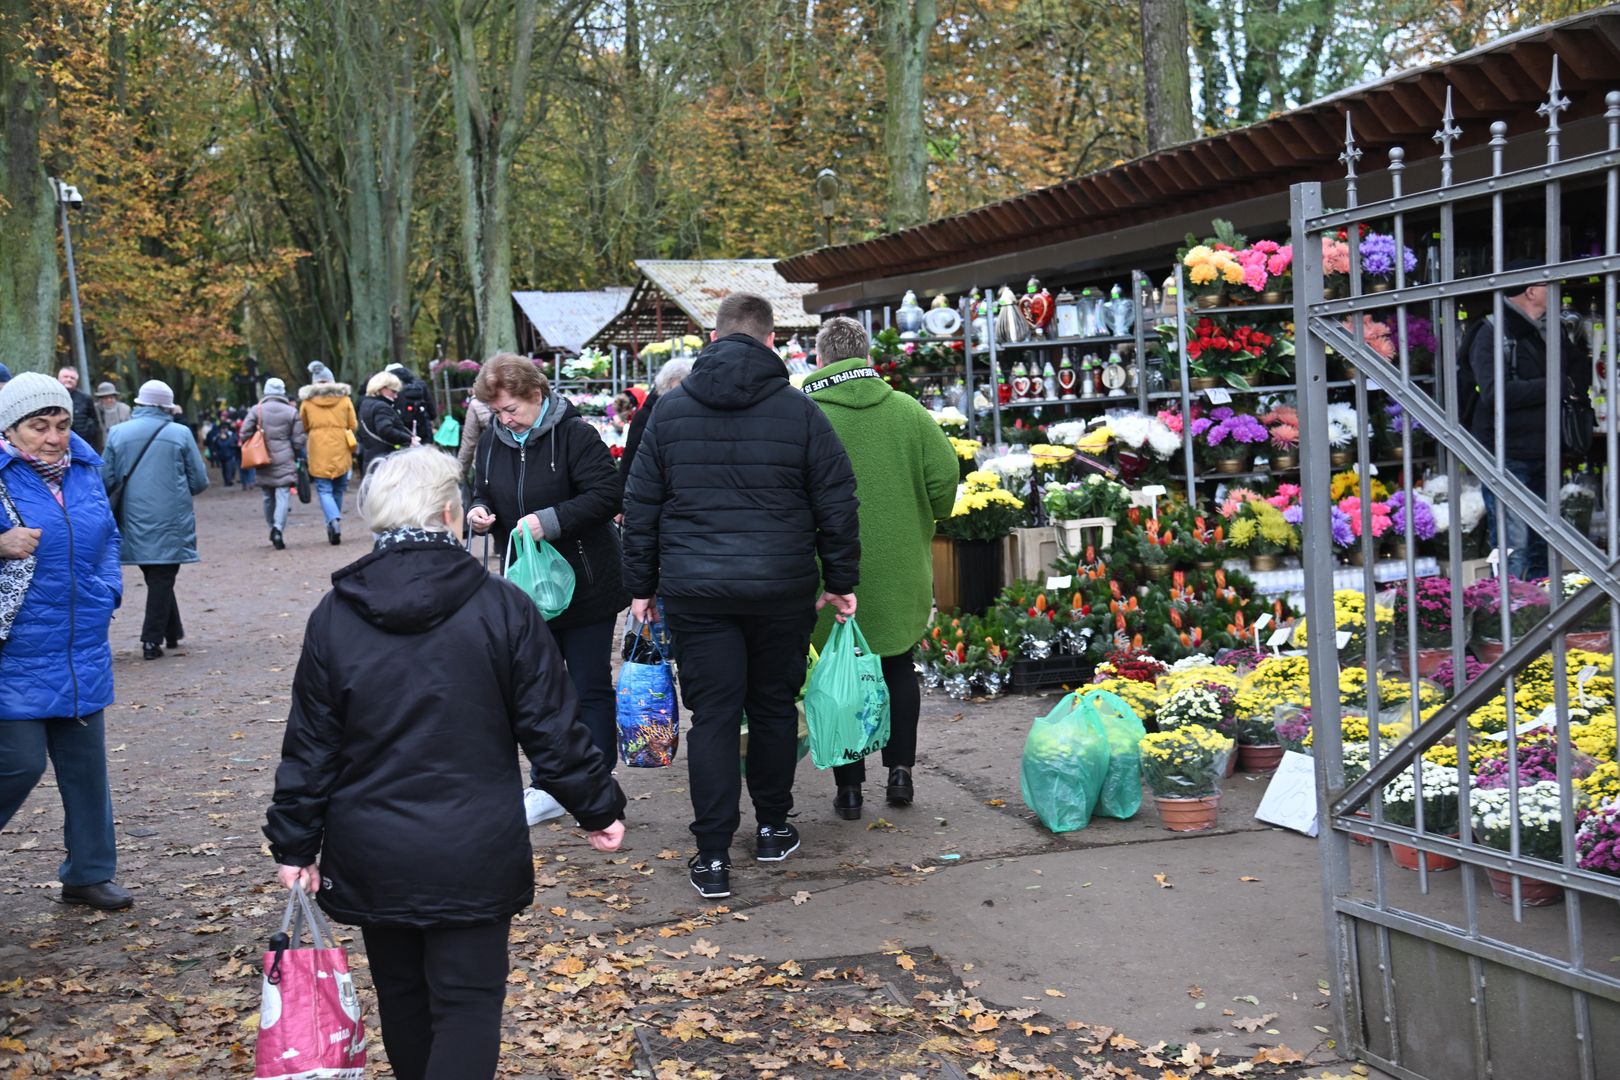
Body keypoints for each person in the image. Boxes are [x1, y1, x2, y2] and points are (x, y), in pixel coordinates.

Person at [264, 447, 626, 1080]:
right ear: (450, 513)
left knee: (404, 999)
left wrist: (295, 843)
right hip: (472, 846)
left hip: (374, 846)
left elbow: (311, 743)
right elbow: (550, 723)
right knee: (466, 1003)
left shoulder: (336, 616)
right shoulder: (502, 607)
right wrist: (596, 805)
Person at [621, 292, 861, 900]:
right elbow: (837, 501)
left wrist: (640, 589)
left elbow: (641, 506)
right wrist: (840, 580)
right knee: (775, 709)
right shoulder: (800, 413)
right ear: (771, 340)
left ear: (714, 337)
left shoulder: (669, 413)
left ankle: (712, 854)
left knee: (716, 718)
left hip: (697, 594)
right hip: (781, 589)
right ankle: (775, 827)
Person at [803, 318, 958, 818]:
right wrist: (927, 511)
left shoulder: (805, 413)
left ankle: (849, 788)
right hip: (901, 566)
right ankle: (901, 773)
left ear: (820, 358)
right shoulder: (908, 412)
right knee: (896, 665)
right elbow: (945, 480)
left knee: (835, 674)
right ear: (866, 355)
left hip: (826, 570)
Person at [466, 354, 629, 820]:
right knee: (537, 689)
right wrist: (480, 512)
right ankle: (549, 785)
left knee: (588, 685)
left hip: (586, 584)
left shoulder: (576, 435)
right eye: (496, 412)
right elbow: (481, 489)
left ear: (536, 395)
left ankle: (597, 786)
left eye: (511, 409)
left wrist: (552, 521)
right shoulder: (493, 443)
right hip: (525, 589)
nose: (504, 419)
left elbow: (607, 495)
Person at [0, 373, 130, 910]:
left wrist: (108, 591)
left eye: (61, 424)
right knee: (19, 762)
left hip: (81, 644)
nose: (54, 437)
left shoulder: (83, 467)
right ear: (10, 429)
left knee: (86, 771)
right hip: (16, 651)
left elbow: (106, 536)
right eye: (39, 426)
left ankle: (88, 873)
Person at [1465, 259, 1592, 580]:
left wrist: (1565, 384)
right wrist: (1557, 385)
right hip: (1505, 450)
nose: (1557, 292)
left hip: (1546, 446)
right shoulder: (1490, 330)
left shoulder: (1551, 330)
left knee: (1542, 541)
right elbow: (1496, 393)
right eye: (1551, 285)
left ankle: (1539, 611)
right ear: (1532, 291)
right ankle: (1510, 616)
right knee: (1514, 543)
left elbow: (1580, 367)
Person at [101, 381, 209, 661]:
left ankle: (173, 631)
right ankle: (151, 640)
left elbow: (106, 480)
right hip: (171, 520)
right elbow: (199, 482)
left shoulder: (117, 433)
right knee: (162, 576)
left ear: (139, 404)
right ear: (166, 407)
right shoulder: (180, 434)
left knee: (157, 575)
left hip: (132, 519)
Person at [239, 377, 306, 550]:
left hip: (263, 457)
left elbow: (244, 432)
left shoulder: (257, 409)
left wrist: (253, 440)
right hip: (285, 456)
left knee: (268, 496)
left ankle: (271, 527)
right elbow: (299, 440)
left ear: (266, 391)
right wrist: (295, 450)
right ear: (283, 391)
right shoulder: (291, 411)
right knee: (283, 494)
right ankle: (278, 528)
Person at [298, 361, 358, 546]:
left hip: (318, 446)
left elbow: (303, 425)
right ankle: (335, 520)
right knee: (339, 487)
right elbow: (353, 424)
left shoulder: (307, 402)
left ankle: (333, 520)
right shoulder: (345, 399)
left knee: (324, 488)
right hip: (340, 444)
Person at [619, 359, 691, 484]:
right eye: (682, 383)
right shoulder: (647, 415)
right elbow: (630, 460)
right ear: (668, 382)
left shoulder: (684, 411)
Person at [358, 371, 416, 467]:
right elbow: (386, 430)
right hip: (385, 461)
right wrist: (409, 439)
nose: (396, 396)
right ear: (382, 388)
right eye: (393, 391)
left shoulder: (365, 404)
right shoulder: (382, 407)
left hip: (370, 459)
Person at [386, 362, 437, 443]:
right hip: (424, 429)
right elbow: (432, 411)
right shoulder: (421, 384)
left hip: (403, 431)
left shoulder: (392, 388)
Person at [56, 367, 102, 452]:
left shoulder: (85, 399)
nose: (69, 379)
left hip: (81, 445)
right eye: (65, 377)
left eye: (72, 378)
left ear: (76, 382)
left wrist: (88, 434)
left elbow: (95, 421)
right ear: (58, 378)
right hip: (56, 444)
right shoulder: (51, 397)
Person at [456, 392, 492, 480]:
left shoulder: (477, 403)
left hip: (489, 466)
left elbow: (469, 443)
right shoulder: (521, 395)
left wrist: (460, 473)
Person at [206, 405, 241, 488]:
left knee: (228, 467)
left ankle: (228, 480)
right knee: (226, 467)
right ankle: (228, 480)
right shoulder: (220, 433)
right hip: (224, 453)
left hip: (227, 452)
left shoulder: (227, 432)